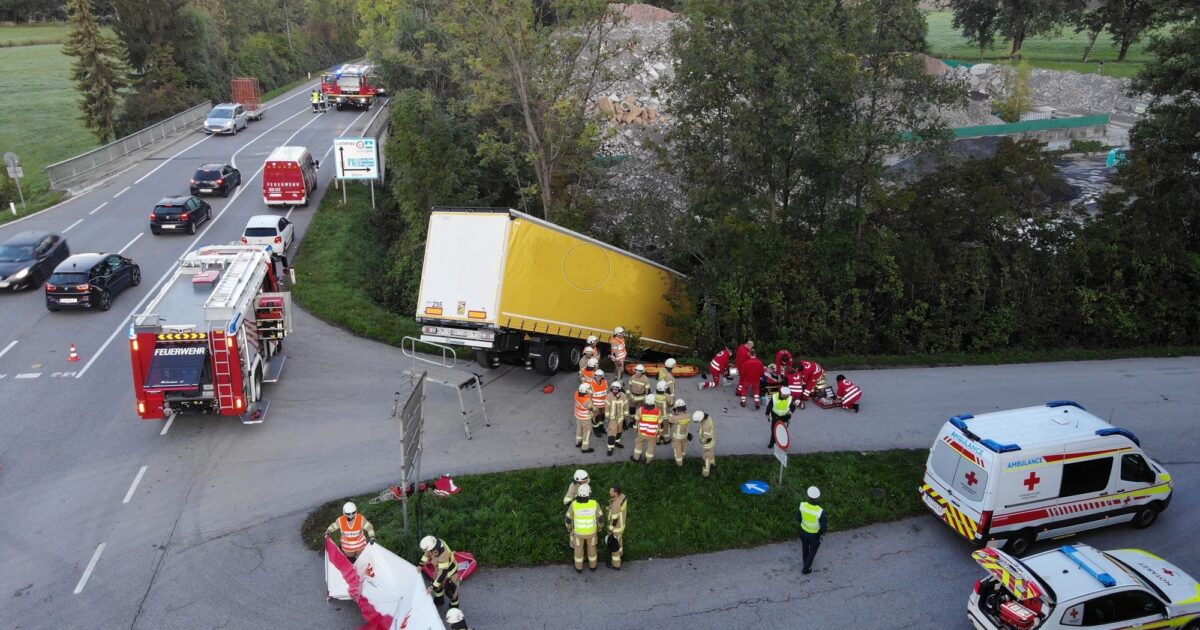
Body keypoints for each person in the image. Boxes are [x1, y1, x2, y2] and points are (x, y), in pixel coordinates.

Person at [566, 483, 603, 572]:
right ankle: (593, 566)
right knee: (592, 548)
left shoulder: (574, 505)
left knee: (578, 549)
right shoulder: (594, 504)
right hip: (592, 533)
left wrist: (569, 528)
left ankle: (579, 568)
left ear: (578, 493)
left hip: (578, 533)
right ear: (589, 494)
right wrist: (600, 528)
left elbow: (568, 519)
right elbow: (601, 519)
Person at [419, 535, 461, 607]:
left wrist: (432, 587)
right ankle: (439, 599)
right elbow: (427, 553)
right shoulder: (433, 544)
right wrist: (420, 564)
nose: (428, 552)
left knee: (451, 590)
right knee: (437, 584)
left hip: (450, 571)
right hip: (439, 568)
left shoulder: (442, 555)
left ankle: (454, 607)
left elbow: (442, 574)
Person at [795, 486, 828, 575]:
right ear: (817, 498)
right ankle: (806, 568)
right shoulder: (820, 511)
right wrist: (822, 533)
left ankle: (805, 561)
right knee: (813, 550)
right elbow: (823, 527)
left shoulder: (802, 505)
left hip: (803, 531)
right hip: (814, 535)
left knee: (805, 547)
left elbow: (798, 518)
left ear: (808, 495)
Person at [630, 393, 662, 464]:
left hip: (642, 432)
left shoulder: (640, 410)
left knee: (639, 444)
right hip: (653, 434)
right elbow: (659, 423)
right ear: (654, 402)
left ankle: (636, 458)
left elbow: (636, 420)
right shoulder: (658, 411)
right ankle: (648, 461)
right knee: (651, 447)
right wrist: (659, 434)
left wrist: (635, 428)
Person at [563, 469, 590, 546]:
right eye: (584, 481)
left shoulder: (584, 483)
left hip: (581, 503)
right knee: (574, 526)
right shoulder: (573, 488)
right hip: (574, 505)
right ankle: (573, 544)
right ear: (578, 481)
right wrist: (574, 505)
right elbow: (566, 500)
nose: (587, 482)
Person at [606, 380, 629, 456]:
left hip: (621, 418)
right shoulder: (609, 396)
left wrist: (626, 418)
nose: (614, 390)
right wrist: (607, 419)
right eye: (613, 389)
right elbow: (606, 409)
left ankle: (617, 443)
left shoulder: (623, 396)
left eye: (616, 389)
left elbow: (626, 407)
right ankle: (610, 448)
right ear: (611, 389)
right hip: (612, 419)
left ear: (619, 389)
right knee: (612, 434)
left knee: (619, 431)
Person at [606, 485, 627, 570]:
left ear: (615, 493)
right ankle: (621, 555)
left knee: (614, 546)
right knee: (619, 540)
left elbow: (614, 520)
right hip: (622, 526)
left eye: (611, 491)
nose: (609, 492)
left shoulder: (615, 505)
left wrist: (610, 530)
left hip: (616, 528)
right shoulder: (623, 496)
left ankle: (616, 564)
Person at [668, 398, 691, 466]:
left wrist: (673, 413)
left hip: (677, 436)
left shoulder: (674, 418)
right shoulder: (689, 415)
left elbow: (670, 420)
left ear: (677, 409)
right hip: (685, 435)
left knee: (677, 450)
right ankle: (683, 457)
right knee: (683, 447)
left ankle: (679, 464)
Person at [694, 410, 717, 478]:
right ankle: (713, 465)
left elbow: (707, 439)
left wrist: (701, 440)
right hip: (712, 441)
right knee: (711, 453)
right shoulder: (707, 417)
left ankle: (705, 474)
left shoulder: (705, 427)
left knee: (706, 457)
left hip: (708, 444)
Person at [574, 383, 595, 453]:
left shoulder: (576, 393)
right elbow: (593, 409)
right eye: (588, 389)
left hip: (578, 416)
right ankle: (585, 448)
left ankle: (578, 442)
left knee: (579, 429)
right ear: (586, 391)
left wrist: (588, 393)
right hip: (585, 418)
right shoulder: (586, 401)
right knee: (587, 432)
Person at [590, 369, 609, 436]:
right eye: (597, 376)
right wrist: (591, 407)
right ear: (594, 376)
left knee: (602, 417)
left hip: (603, 405)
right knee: (596, 418)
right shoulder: (591, 385)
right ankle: (596, 430)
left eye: (600, 376)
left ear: (602, 377)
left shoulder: (605, 382)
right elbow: (589, 397)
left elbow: (606, 393)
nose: (598, 377)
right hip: (595, 406)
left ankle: (601, 428)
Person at [653, 379, 673, 444]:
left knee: (657, 428)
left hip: (656, 416)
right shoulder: (667, 396)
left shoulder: (653, 395)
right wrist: (670, 395)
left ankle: (657, 441)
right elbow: (671, 404)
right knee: (666, 428)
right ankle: (666, 440)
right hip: (665, 416)